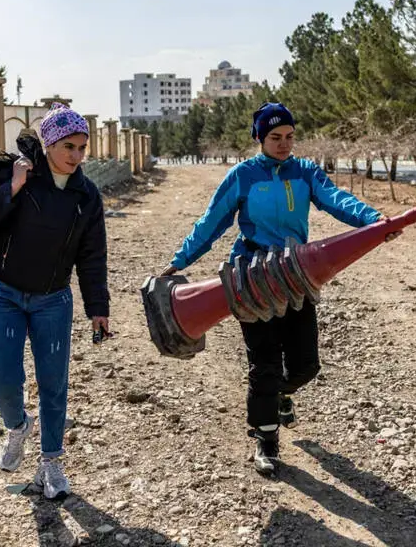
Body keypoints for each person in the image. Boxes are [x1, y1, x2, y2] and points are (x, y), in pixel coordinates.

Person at [158, 102, 396, 476]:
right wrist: (179, 261)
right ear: (259, 138)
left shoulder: (305, 172)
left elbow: (337, 200)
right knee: (264, 363)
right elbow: (211, 223)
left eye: (289, 136)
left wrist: (375, 222)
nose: (284, 144)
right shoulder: (243, 176)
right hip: (251, 279)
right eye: (275, 137)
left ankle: (282, 394)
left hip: (295, 275)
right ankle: (266, 440)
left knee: (306, 364)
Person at [0, 103, 110, 499]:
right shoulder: (19, 175)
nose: (76, 156)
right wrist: (12, 188)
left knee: (53, 383)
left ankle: (51, 463)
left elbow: (92, 255)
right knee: (2, 376)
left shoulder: (86, 195)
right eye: (68, 146)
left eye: (82, 147)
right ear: (49, 144)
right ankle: (17, 426)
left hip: (53, 300)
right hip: (2, 293)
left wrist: (98, 307)